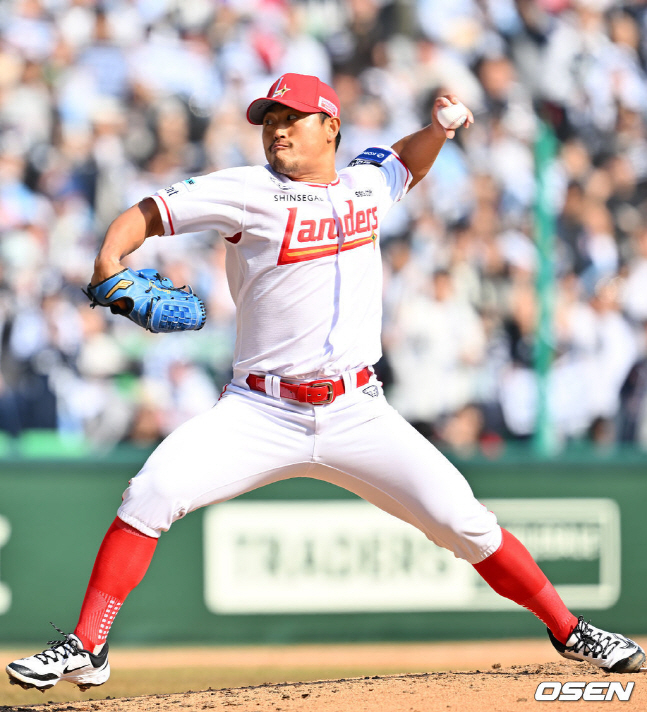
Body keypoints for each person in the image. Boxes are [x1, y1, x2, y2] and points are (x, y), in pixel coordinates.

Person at [6, 73, 644, 693]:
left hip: (357, 411)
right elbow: (147, 213)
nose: (277, 130)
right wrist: (108, 260)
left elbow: (404, 162)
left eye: (291, 118)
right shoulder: (247, 190)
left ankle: (571, 631)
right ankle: (89, 646)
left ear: (330, 126)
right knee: (151, 492)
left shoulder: (366, 184)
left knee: (466, 522)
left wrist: (438, 131)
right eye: (270, 120)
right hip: (259, 411)